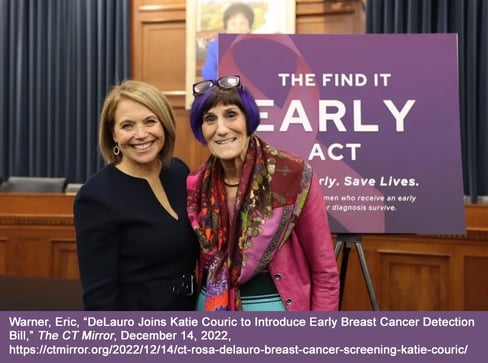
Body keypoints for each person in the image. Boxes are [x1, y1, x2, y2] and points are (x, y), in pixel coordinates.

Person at [187, 75, 340, 311]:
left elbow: (325, 272)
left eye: (231, 115)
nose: (221, 129)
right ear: (201, 129)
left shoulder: (292, 175)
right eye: (209, 119)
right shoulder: (195, 183)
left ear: (248, 119)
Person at [74, 80, 199, 310]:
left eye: (150, 121)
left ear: (165, 125)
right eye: (127, 126)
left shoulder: (179, 172)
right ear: (113, 134)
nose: (141, 134)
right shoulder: (96, 196)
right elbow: (99, 297)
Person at [201, 2, 254, 80]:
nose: (238, 28)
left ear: (249, 28)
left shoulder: (257, 47)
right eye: (233, 23)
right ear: (226, 28)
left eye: (242, 23)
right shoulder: (215, 47)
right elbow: (207, 74)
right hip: (223, 89)